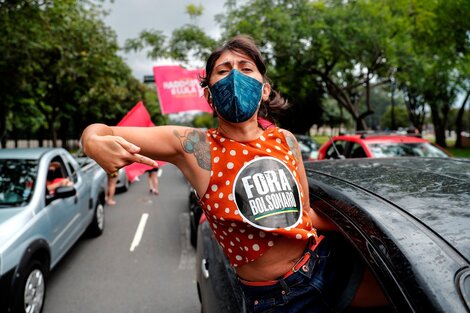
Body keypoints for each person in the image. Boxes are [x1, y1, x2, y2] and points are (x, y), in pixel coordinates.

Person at [81, 35, 388, 312]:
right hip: (278, 299)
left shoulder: (286, 140)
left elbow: (303, 213)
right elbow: (101, 131)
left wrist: (368, 226)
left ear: (264, 90)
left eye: (246, 67)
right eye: (223, 71)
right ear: (210, 95)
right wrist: (91, 141)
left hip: (327, 264)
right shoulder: (194, 146)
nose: (235, 76)